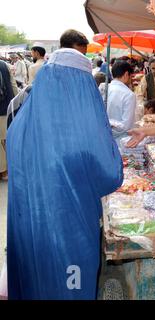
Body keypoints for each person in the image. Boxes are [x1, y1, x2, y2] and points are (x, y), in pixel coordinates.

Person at [6, 29, 123, 300]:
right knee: (71, 284)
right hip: (69, 231)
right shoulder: (83, 129)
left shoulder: (21, 124)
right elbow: (110, 175)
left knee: (36, 281)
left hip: (30, 231)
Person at [106, 60, 137, 143]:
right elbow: (126, 126)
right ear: (126, 74)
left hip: (104, 135)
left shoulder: (105, 88)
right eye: (131, 76)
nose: (131, 79)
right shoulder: (129, 95)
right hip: (121, 140)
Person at [0, 60, 17, 180]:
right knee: (4, 138)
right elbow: (13, 84)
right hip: (4, 106)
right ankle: (5, 170)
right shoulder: (4, 65)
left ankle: (4, 170)